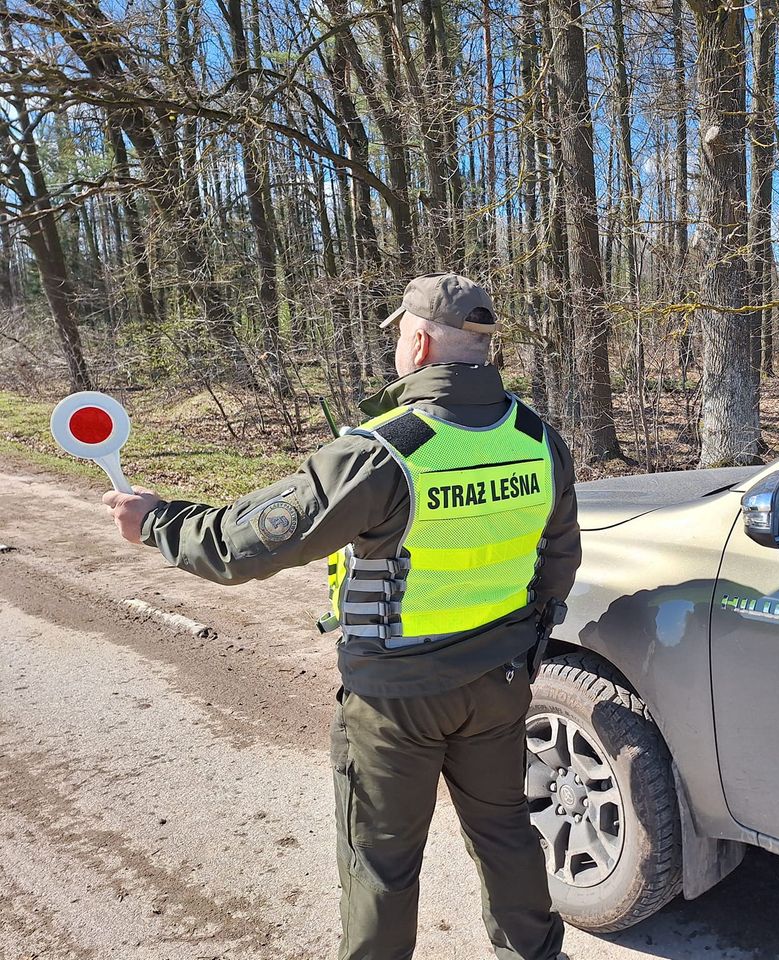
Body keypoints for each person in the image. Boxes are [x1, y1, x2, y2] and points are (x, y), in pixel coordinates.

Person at [103, 273, 580, 960]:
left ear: (416, 342)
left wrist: (158, 522)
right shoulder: (539, 439)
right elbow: (559, 556)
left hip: (395, 701)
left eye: (399, 337)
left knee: (380, 867)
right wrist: (527, 644)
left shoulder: (385, 451)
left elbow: (242, 548)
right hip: (501, 680)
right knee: (507, 834)